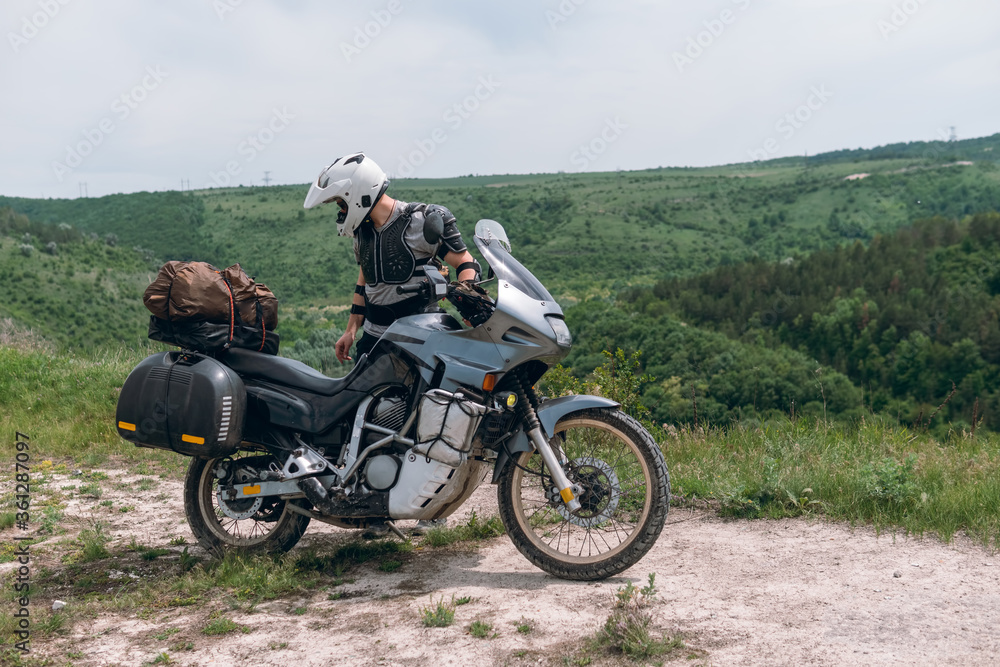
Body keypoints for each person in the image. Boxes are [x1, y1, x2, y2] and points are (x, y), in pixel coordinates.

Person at [303, 151, 480, 536]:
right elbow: (366, 279)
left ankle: (431, 509)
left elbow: (466, 261)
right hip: (376, 337)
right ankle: (373, 510)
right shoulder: (363, 230)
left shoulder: (425, 221)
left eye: (338, 201)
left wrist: (463, 287)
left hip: (422, 335)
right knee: (363, 419)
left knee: (423, 419)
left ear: (358, 194)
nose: (337, 210)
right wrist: (351, 327)